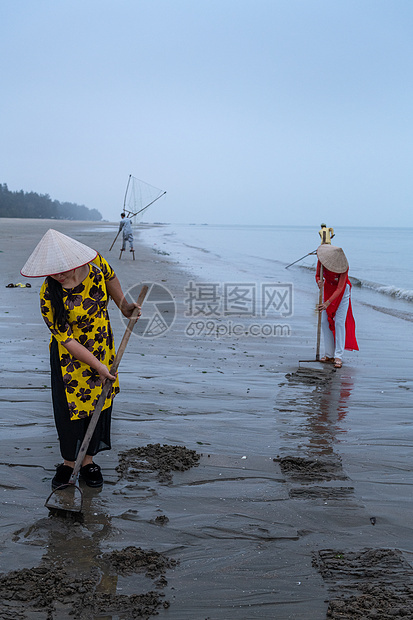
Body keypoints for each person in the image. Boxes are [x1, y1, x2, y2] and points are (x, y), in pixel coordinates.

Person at [20, 229, 139, 489]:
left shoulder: (96, 262)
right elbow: (67, 341)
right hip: (69, 359)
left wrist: (124, 306)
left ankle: (88, 461)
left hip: (102, 345)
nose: (58, 275)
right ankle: (69, 462)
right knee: (69, 410)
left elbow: (111, 278)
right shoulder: (48, 294)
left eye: (62, 270)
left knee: (99, 402)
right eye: (52, 271)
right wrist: (95, 366)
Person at [315, 244, 358, 368]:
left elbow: (340, 288)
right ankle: (329, 354)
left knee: (339, 322)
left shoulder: (344, 267)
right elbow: (318, 275)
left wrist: (327, 303)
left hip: (342, 292)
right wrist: (318, 281)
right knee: (324, 321)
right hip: (328, 289)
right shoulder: (322, 261)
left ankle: (338, 355)